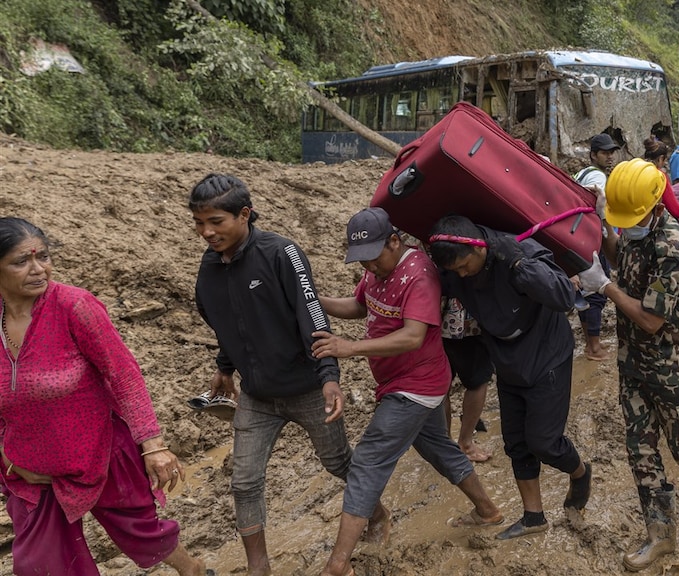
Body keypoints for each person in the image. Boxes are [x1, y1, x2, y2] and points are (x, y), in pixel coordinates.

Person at [0, 217, 209, 576]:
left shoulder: (74, 307)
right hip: (30, 470)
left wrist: (153, 446)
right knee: (40, 565)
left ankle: (193, 570)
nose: (38, 270)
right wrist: (7, 459)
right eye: (21, 261)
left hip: (99, 451)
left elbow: (124, 375)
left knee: (141, 534)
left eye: (44, 257)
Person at [189, 174, 360, 576]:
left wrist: (329, 376)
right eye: (199, 223)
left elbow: (312, 315)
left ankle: (378, 513)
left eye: (216, 221)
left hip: (307, 388)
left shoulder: (282, 253)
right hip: (258, 396)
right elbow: (225, 322)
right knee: (244, 482)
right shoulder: (210, 266)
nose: (206, 232)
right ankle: (258, 568)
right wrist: (224, 367)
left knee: (338, 464)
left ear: (244, 214)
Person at [315, 208, 502, 576]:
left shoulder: (419, 274)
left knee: (367, 462)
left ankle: (338, 565)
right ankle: (488, 510)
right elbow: (359, 306)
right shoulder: (376, 271)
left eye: (373, 258)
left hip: (417, 386)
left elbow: (414, 335)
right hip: (401, 383)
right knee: (439, 449)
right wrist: (315, 302)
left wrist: (348, 348)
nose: (369, 268)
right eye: (362, 261)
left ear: (394, 241)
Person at [576, 159, 679, 571]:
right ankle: (661, 534)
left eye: (633, 216)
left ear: (657, 208)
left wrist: (603, 285)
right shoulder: (635, 227)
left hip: (672, 366)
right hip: (634, 364)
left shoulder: (672, 249)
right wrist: (603, 222)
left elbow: (649, 318)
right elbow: (620, 254)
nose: (628, 224)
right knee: (640, 451)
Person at [428, 216, 592, 540]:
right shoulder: (453, 267)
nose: (461, 275)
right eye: (456, 271)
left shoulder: (517, 252)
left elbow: (563, 297)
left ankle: (580, 471)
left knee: (544, 442)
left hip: (547, 355)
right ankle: (534, 517)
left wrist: (519, 264)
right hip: (506, 360)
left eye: (465, 266)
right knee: (516, 443)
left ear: (478, 247)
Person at [573, 133, 619, 361]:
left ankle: (589, 344)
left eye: (612, 152)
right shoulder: (598, 178)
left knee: (585, 293)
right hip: (593, 241)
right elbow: (601, 213)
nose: (610, 157)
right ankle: (594, 347)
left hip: (577, 239)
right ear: (593, 155)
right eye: (605, 153)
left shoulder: (581, 174)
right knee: (597, 295)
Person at [441, 296, 494, 461]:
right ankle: (465, 443)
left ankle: (446, 444)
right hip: (468, 318)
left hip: (432, 316)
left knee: (440, 383)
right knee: (478, 380)